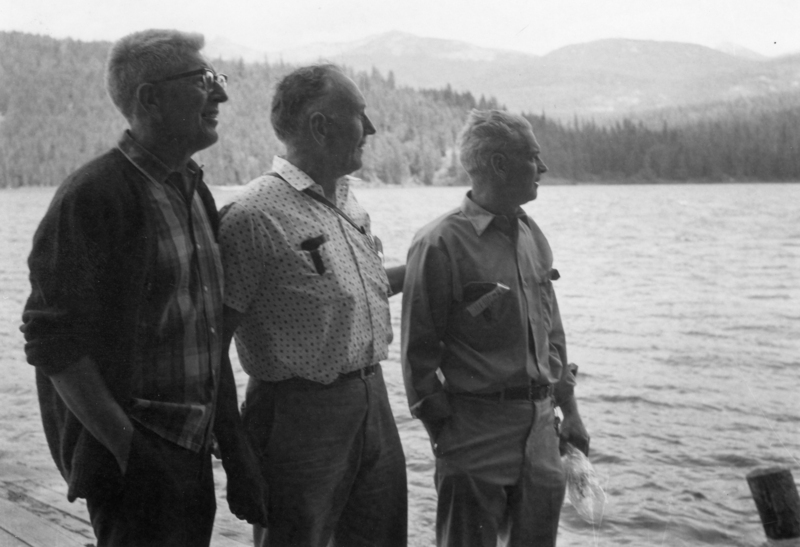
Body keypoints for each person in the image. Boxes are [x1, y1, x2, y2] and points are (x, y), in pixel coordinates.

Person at [20, 29, 267, 547]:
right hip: (135, 460)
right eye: (203, 81)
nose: (219, 93)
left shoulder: (192, 190)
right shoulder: (93, 197)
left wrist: (233, 446)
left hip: (191, 451)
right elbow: (53, 344)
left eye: (216, 79)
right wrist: (129, 450)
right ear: (149, 98)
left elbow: (206, 330)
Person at [217, 63, 407, 547]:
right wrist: (234, 445)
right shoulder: (254, 216)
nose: (370, 128)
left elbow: (349, 292)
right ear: (320, 126)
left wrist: (431, 265)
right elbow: (211, 341)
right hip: (297, 415)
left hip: (371, 398)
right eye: (359, 115)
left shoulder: (348, 201)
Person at [401, 109, 591, 547]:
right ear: (500, 164)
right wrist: (448, 438)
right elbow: (418, 358)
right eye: (533, 156)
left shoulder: (531, 234)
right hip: (475, 435)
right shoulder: (439, 243)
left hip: (542, 434)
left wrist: (571, 410)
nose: (542, 168)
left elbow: (552, 334)